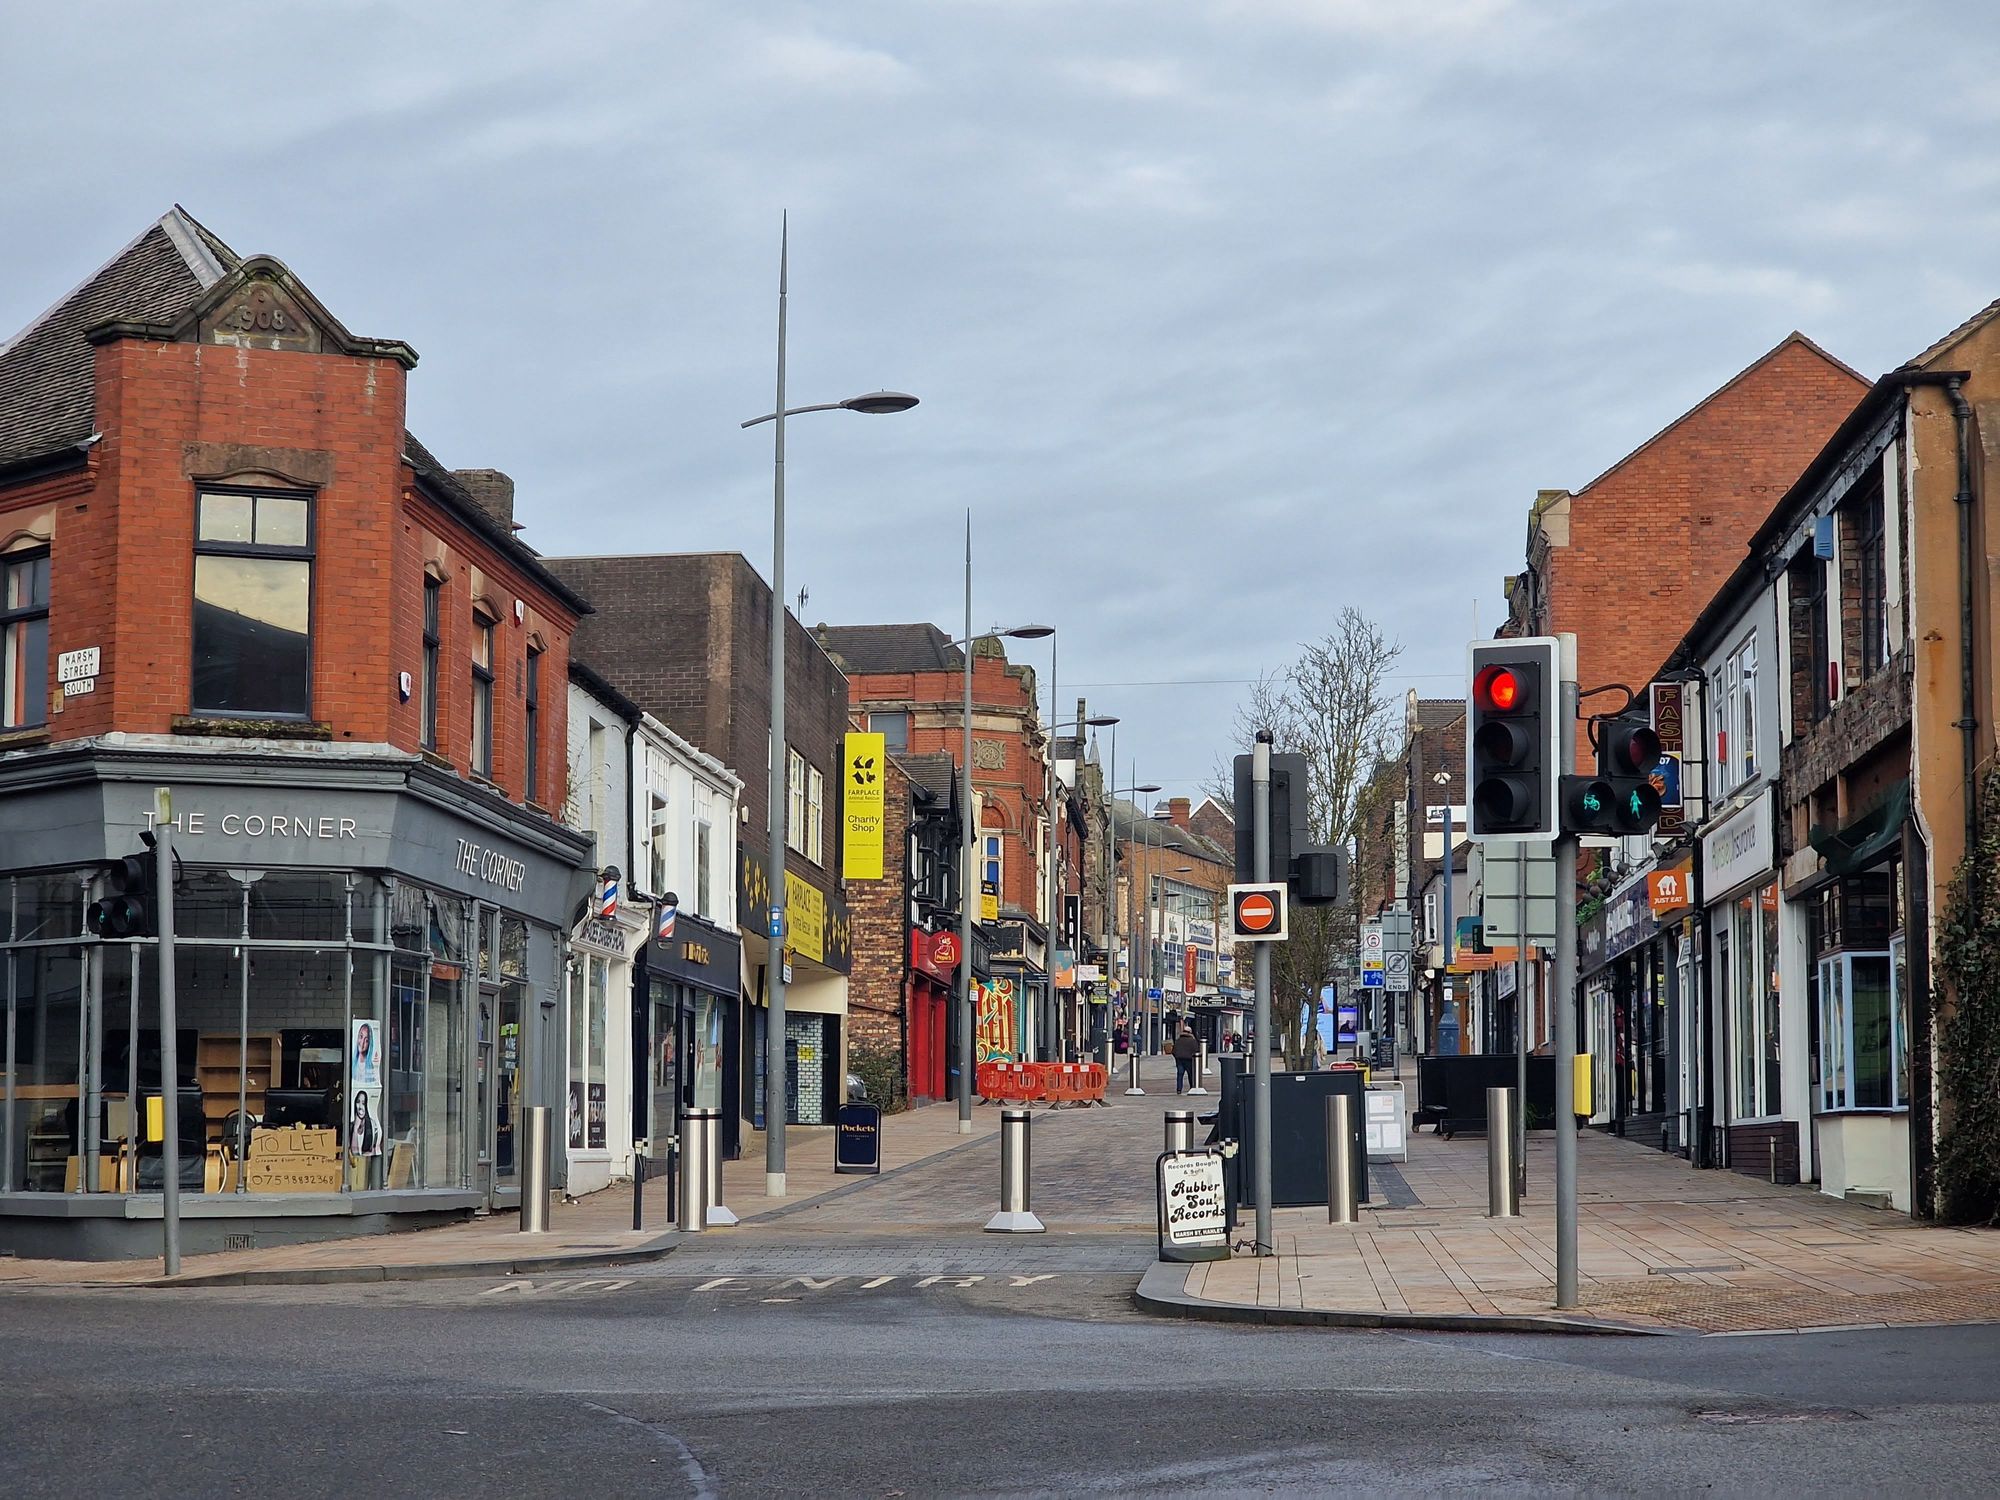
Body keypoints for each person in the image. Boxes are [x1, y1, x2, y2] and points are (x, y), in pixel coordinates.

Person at [1172, 1024, 1199, 1093]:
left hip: (1179, 1060)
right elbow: (1196, 1050)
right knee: (1190, 1074)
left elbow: (1173, 1051)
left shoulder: (1178, 1040)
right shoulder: (1192, 1040)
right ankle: (1192, 1087)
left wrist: (1177, 1056)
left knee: (1180, 1074)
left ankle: (1179, 1089)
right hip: (1189, 1059)